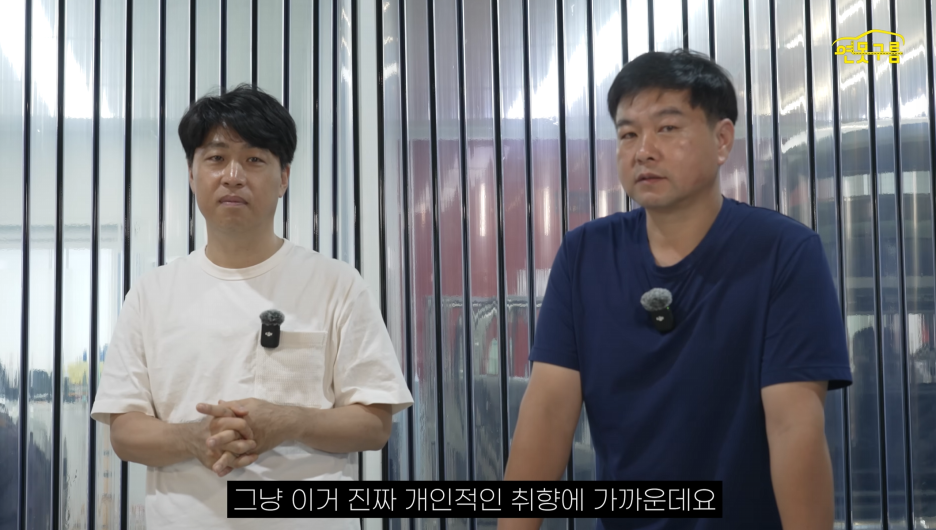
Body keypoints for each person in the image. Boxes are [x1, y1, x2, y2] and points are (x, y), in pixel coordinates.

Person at [499, 50, 852, 530]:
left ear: (722, 139)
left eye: (667, 128)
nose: (643, 150)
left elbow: (795, 428)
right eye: (628, 134)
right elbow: (547, 413)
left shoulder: (783, 253)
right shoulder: (585, 256)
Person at [90, 84, 413, 530]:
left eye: (255, 159)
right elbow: (125, 431)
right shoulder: (150, 295)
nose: (233, 176)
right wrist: (193, 438)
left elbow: (375, 426)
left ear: (284, 178)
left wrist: (289, 421)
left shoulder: (337, 284)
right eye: (216, 158)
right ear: (192, 174)